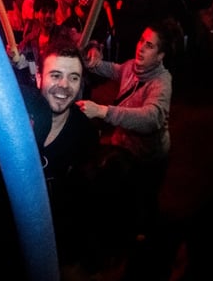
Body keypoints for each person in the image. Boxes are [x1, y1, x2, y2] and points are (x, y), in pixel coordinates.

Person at [75, 17, 183, 238]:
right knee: (126, 196)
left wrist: (103, 111)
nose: (140, 48)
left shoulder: (162, 82)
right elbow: (106, 68)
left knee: (146, 200)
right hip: (124, 147)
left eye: (149, 45)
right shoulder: (131, 67)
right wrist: (92, 54)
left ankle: (146, 237)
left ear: (161, 56)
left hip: (148, 157)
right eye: (141, 40)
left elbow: (151, 118)